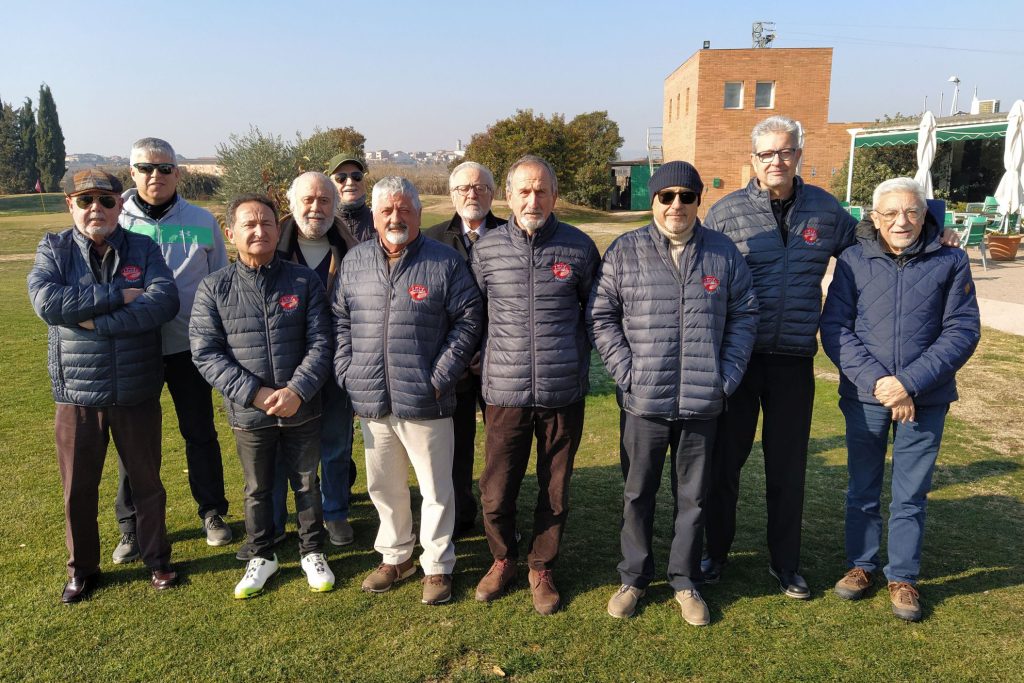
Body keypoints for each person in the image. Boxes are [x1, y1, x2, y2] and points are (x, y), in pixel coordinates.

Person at [588, 161, 758, 624]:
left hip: (703, 401)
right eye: (667, 196)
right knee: (637, 494)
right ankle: (634, 577)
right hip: (644, 402)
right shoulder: (625, 251)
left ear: (699, 200)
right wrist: (627, 373)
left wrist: (725, 377)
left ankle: (685, 580)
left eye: (686, 196)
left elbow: (745, 315)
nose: (676, 205)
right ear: (654, 201)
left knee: (694, 498)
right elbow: (601, 316)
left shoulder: (723, 252)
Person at [700, 115, 859, 599]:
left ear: (798, 156)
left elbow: (872, 243)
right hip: (738, 360)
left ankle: (786, 563)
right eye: (767, 153)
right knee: (724, 464)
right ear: (753, 158)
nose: (776, 160)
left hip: (793, 361)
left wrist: (934, 226)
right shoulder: (726, 213)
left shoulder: (826, 211)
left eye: (785, 151)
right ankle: (714, 553)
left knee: (788, 469)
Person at [820, 177, 979, 622]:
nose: (901, 221)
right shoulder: (853, 260)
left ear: (925, 214)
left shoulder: (950, 259)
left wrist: (909, 383)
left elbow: (962, 330)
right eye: (890, 213)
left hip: (925, 397)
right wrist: (881, 384)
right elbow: (835, 328)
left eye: (911, 211)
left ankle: (903, 576)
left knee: (911, 493)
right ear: (874, 218)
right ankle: (861, 565)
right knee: (862, 487)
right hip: (866, 395)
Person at [28, 169, 180, 603]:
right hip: (77, 393)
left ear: (119, 204)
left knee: (147, 484)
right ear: (70, 205)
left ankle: (157, 560)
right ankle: (82, 570)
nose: (96, 208)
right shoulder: (54, 248)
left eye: (106, 200)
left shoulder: (144, 247)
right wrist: (117, 295)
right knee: (78, 490)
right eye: (85, 200)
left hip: (136, 389)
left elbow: (163, 301)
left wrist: (93, 323)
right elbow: (47, 302)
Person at [334, 177, 483, 605]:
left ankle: (437, 564)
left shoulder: (444, 261)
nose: (395, 217)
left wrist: (440, 376)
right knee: (384, 486)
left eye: (404, 209)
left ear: (418, 213)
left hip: (426, 399)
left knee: (436, 489)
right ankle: (396, 556)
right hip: (373, 398)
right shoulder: (356, 261)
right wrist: (348, 371)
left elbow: (468, 320)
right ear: (375, 216)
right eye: (386, 210)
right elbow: (340, 319)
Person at [470, 155, 600, 615]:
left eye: (541, 190)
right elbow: (473, 317)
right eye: (523, 191)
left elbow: (596, 315)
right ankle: (503, 557)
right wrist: (484, 365)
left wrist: (574, 359)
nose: (533, 199)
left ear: (554, 195)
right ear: (508, 196)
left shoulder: (579, 247)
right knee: (496, 488)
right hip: (504, 392)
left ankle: (542, 565)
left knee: (555, 487)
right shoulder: (486, 250)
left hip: (562, 391)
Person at [190, 195, 335, 599]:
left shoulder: (303, 281)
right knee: (257, 489)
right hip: (249, 413)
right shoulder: (214, 288)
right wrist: (254, 393)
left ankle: (312, 551)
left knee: (307, 483)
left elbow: (322, 342)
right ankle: (262, 554)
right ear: (230, 233)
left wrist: (297, 390)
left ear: (278, 228)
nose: (259, 231)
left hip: (301, 407)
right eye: (249, 225)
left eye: (267, 223)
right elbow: (206, 353)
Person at [114, 137, 232, 562]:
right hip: (135, 348)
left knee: (200, 433)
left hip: (190, 348)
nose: (155, 176)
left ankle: (212, 512)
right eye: (146, 168)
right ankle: (132, 526)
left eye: (164, 168)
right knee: (135, 442)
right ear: (133, 172)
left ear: (177, 173)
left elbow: (220, 282)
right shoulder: (116, 220)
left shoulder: (201, 220)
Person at [270, 172, 358, 548]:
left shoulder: (353, 249)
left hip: (338, 364)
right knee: (281, 448)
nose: (315, 208)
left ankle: (335, 513)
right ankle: (277, 519)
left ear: (335, 205)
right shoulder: (272, 245)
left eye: (324, 200)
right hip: (286, 365)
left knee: (336, 444)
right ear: (292, 204)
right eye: (307, 200)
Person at [423, 161, 503, 538]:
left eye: (480, 187)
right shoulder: (431, 240)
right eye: (463, 188)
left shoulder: (510, 235)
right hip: (451, 361)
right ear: (451, 194)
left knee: (501, 448)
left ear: (493, 193)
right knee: (454, 448)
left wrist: (488, 348)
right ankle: (458, 514)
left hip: (499, 360)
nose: (472, 194)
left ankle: (498, 519)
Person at [327, 154, 374, 243]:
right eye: (341, 177)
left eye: (356, 176)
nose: (350, 182)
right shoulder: (324, 222)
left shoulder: (378, 220)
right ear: (330, 184)